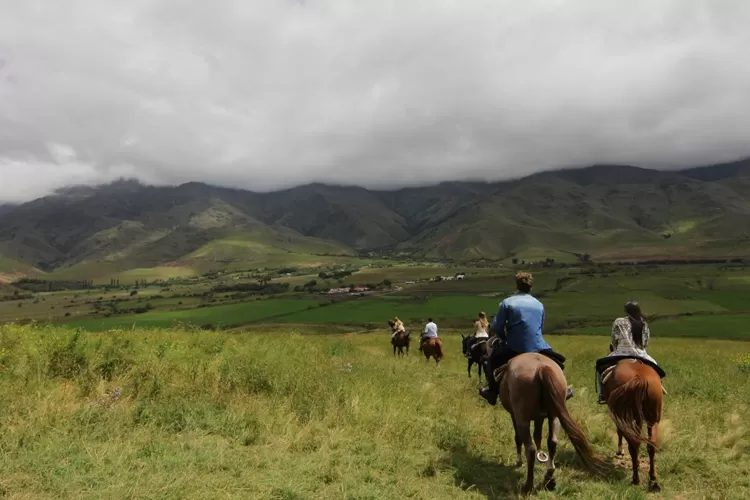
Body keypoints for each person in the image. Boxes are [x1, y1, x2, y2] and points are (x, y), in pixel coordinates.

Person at [478, 272, 573, 406]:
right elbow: (540, 327)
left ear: (517, 286)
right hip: (539, 345)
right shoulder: (539, 304)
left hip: (514, 346)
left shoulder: (507, 303)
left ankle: (491, 392)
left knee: (492, 360)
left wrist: (505, 338)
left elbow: (497, 327)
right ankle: (563, 390)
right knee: (558, 362)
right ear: (531, 287)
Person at [595, 301, 662, 404]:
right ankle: (658, 389)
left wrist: (616, 347)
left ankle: (602, 395)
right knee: (657, 370)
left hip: (621, 352)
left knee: (600, 368)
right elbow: (645, 341)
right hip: (641, 354)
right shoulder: (643, 323)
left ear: (626, 311)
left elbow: (614, 338)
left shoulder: (619, 321)